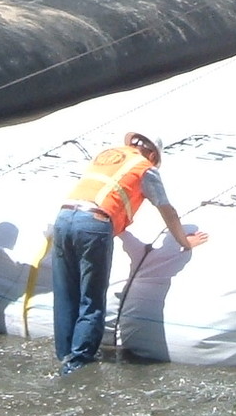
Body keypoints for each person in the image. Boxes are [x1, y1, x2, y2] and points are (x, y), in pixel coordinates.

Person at [52, 132, 208, 376]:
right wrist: (184, 241)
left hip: (63, 219)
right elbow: (167, 210)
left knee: (65, 293)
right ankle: (77, 367)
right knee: (91, 299)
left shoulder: (108, 157)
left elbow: (107, 193)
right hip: (94, 223)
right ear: (153, 154)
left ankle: (63, 355)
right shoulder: (144, 168)